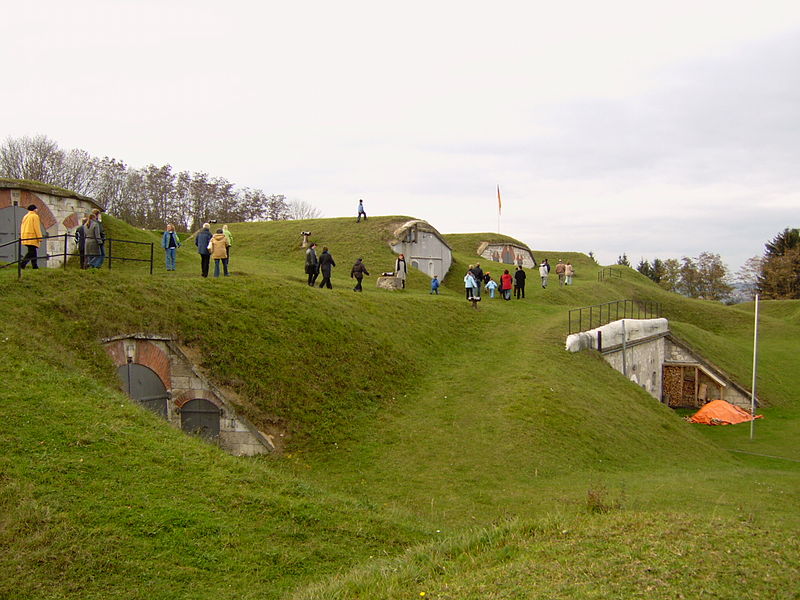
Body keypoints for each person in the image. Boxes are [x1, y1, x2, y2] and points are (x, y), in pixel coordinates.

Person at [19, 204, 42, 269]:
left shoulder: (25, 216)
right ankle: (22, 264)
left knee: (33, 252)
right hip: (32, 236)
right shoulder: (35, 216)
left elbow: (22, 227)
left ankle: (35, 266)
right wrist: (39, 237)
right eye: (36, 208)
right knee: (31, 252)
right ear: (34, 209)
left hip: (25, 236)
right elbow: (36, 227)